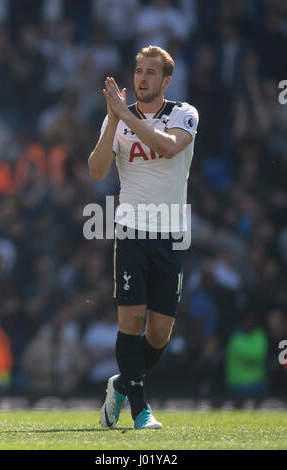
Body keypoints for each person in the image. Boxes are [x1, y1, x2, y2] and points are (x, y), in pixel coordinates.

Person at [88, 45, 199, 429]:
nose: (141, 78)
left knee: (158, 333)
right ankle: (140, 410)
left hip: (171, 233)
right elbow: (97, 170)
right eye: (138, 70)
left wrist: (124, 118)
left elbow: (168, 148)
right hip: (130, 228)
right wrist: (112, 121)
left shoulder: (183, 114)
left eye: (151, 72)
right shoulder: (117, 118)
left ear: (166, 81)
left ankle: (120, 385)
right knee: (131, 320)